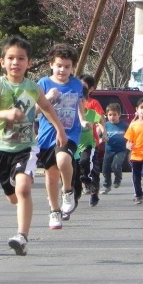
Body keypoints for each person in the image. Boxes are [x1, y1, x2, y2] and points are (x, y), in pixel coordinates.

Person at [0, 36, 67, 256]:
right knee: (12, 197)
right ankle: (18, 206)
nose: (15, 62)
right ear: (2, 62)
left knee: (23, 189)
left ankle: (21, 236)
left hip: (26, 148)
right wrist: (6, 113)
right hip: (0, 148)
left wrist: (59, 128)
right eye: (10, 58)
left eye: (21, 58)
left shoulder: (33, 87)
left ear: (29, 63)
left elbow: (47, 106)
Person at [37, 43, 89, 228]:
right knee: (51, 175)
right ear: (51, 64)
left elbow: (80, 104)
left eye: (67, 66)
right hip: (47, 135)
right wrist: (48, 98)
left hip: (70, 132)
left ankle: (67, 190)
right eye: (59, 65)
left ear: (72, 67)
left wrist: (82, 120)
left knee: (63, 160)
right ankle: (54, 211)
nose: (63, 70)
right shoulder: (43, 84)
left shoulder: (76, 84)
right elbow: (33, 111)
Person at [76, 86, 106, 207]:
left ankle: (94, 193)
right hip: (75, 146)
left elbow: (101, 121)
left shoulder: (92, 114)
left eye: (81, 101)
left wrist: (104, 133)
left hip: (89, 145)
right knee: (74, 169)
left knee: (90, 166)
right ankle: (75, 191)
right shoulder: (72, 115)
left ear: (85, 101)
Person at [101, 103, 128, 194]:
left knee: (116, 165)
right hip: (109, 150)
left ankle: (117, 179)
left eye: (115, 115)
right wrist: (102, 139)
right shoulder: (105, 125)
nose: (112, 117)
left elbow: (130, 136)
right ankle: (107, 185)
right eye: (110, 115)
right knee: (105, 169)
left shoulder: (124, 125)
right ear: (106, 115)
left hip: (121, 150)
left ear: (119, 115)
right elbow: (100, 136)